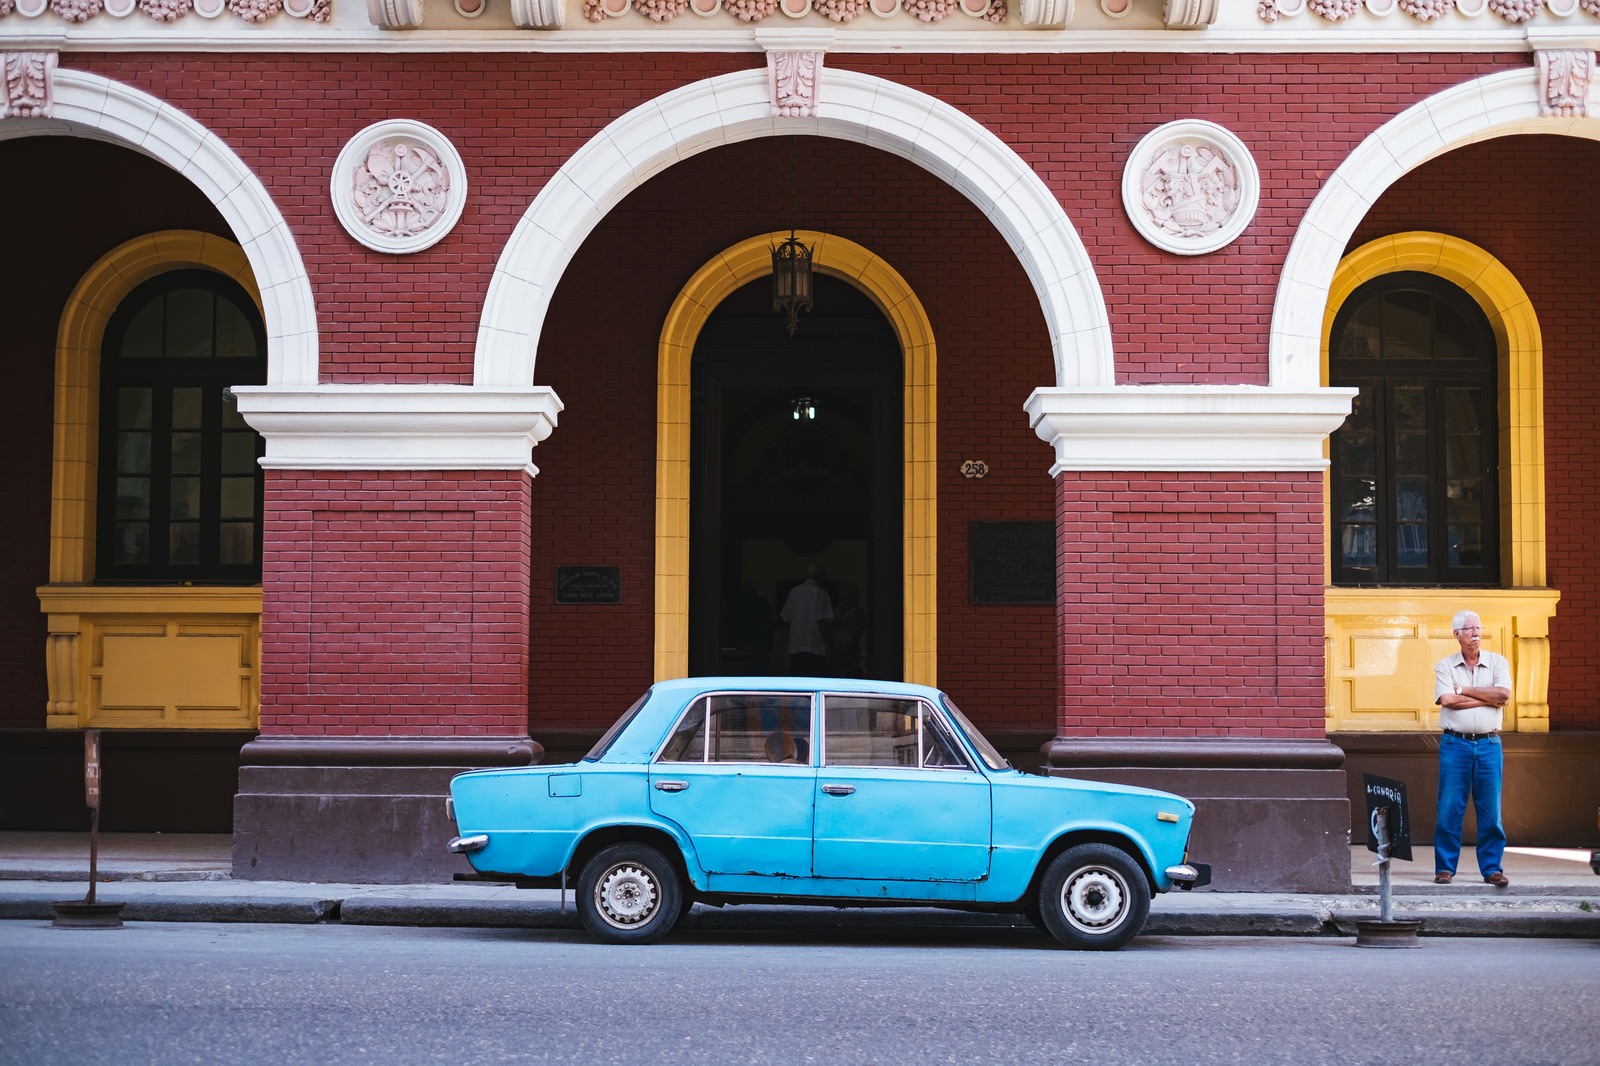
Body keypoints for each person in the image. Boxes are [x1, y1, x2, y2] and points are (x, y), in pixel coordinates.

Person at [1432, 609, 1512, 886]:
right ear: (1457, 635)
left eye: (1478, 628)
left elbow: (1503, 695)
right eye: (1469, 629)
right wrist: (1486, 698)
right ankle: (1444, 868)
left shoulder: (1497, 662)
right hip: (1456, 744)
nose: (1476, 633)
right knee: (1449, 807)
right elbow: (1447, 700)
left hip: (1489, 744)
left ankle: (1492, 868)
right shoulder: (1445, 665)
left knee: (1490, 808)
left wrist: (1464, 691)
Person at [779, 563, 833, 676]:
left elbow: (786, 619)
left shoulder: (794, 592)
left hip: (796, 647)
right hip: (816, 647)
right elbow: (821, 622)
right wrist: (828, 645)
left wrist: (791, 639)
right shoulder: (821, 593)